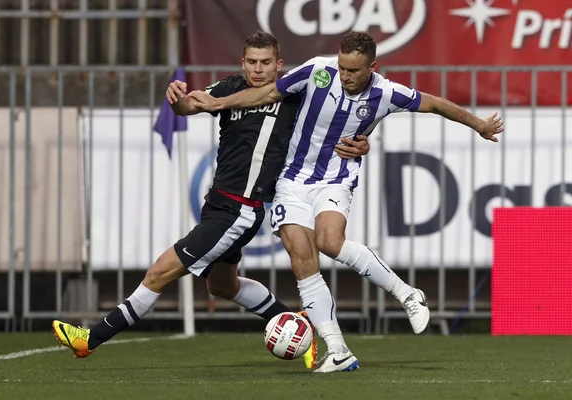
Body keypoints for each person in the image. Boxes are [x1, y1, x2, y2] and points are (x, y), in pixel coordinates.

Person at [51, 31, 370, 370]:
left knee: (160, 272)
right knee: (222, 285)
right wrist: (177, 101)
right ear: (242, 62)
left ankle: (91, 339)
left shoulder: (294, 98)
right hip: (218, 203)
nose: (258, 70)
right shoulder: (230, 88)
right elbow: (192, 103)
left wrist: (361, 141)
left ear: (279, 65)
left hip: (240, 211)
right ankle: (296, 321)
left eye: (265, 63)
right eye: (252, 62)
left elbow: (339, 119)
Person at [190, 31, 504, 373]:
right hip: (291, 179)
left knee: (329, 241)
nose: (345, 76)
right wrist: (219, 103)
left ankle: (407, 294)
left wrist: (479, 125)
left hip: (335, 176)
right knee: (302, 260)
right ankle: (338, 350)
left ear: (372, 67)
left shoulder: (386, 92)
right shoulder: (317, 71)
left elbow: (434, 104)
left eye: (354, 71)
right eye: (342, 67)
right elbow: (268, 91)